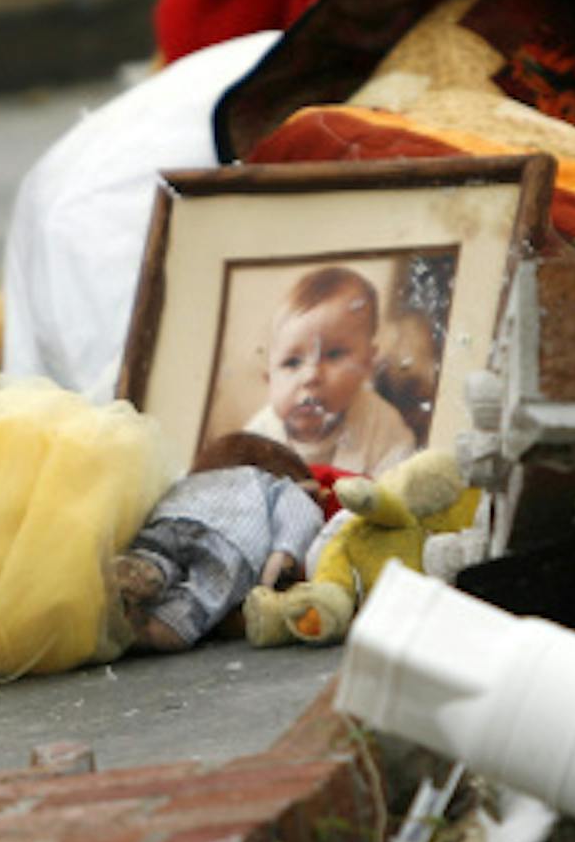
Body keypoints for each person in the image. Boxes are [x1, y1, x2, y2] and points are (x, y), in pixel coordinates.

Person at [111, 433, 326, 653]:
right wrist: (284, 553)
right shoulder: (276, 486)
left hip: (174, 513)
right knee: (208, 588)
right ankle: (161, 626)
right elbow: (300, 514)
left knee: (159, 550)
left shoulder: (194, 481)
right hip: (230, 536)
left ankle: (147, 567)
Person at [243, 265, 419, 475]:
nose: (310, 376)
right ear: (268, 378)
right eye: (291, 363)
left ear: (367, 363)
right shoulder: (257, 438)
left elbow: (402, 482)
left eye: (334, 355)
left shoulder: (381, 424)